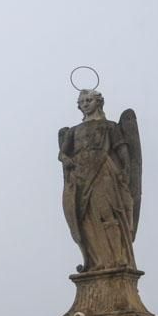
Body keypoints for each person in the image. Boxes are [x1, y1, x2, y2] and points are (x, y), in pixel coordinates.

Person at [58, 88, 141, 273]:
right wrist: (67, 160)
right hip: (80, 175)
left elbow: (122, 150)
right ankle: (96, 262)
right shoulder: (73, 131)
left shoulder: (109, 127)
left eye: (89, 100)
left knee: (107, 213)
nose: (86, 104)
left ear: (98, 102)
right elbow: (62, 154)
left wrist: (126, 171)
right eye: (82, 102)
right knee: (85, 217)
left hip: (103, 172)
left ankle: (117, 258)